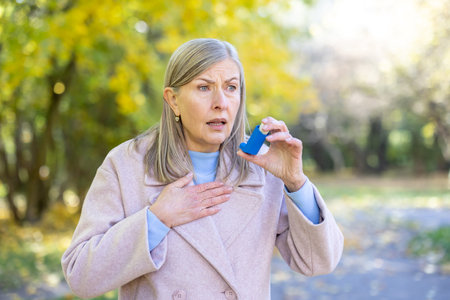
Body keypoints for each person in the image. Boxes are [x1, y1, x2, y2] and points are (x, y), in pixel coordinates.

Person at [61, 38, 343, 300]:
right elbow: (81, 276)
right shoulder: (126, 164)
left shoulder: (262, 166)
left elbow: (318, 262)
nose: (221, 102)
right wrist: (157, 219)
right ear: (173, 100)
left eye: (231, 88)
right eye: (204, 87)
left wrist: (295, 181)